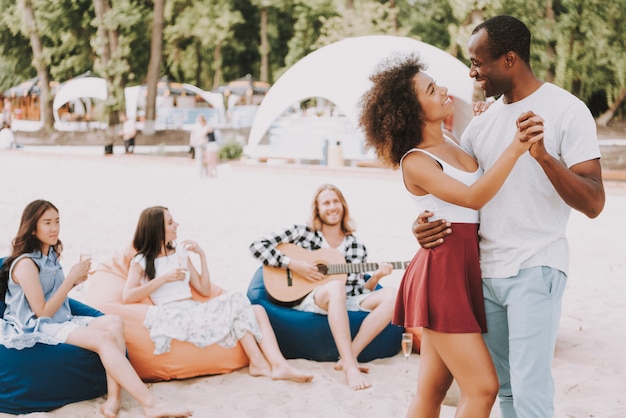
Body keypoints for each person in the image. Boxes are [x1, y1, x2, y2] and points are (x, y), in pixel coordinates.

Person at [412, 15, 605, 418]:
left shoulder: (568, 110)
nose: (472, 72)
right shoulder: (478, 128)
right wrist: (421, 226)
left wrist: (544, 157)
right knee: (508, 391)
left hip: (537, 265)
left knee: (531, 390)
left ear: (510, 59)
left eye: (478, 62)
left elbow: (593, 203)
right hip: (483, 275)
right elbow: (459, 195)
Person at [358, 52, 543, 417]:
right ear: (411, 110)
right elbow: (474, 196)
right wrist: (517, 146)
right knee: (483, 388)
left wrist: (489, 126)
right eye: (431, 89)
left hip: (463, 269)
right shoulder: (416, 160)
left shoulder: (454, 142)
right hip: (441, 275)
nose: (443, 89)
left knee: (432, 391)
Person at [0, 200, 192, 418]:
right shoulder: (26, 263)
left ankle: (113, 398)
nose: (54, 228)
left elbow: (55, 297)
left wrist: (74, 282)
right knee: (103, 339)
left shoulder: (50, 255)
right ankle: (150, 404)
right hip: (36, 325)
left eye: (57, 221)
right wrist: (70, 278)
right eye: (47, 223)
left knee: (115, 322)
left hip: (60, 318)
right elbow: (42, 312)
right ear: (33, 228)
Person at [123, 206, 313, 383]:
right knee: (239, 300)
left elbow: (204, 289)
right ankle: (260, 362)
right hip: (174, 315)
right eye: (171, 222)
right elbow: (128, 296)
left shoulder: (180, 253)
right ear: (157, 229)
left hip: (194, 310)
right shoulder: (141, 261)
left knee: (257, 310)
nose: (177, 225)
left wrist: (202, 256)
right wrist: (164, 278)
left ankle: (277, 365)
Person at [249, 184, 396, 391]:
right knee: (335, 287)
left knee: (394, 295)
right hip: (309, 297)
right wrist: (294, 265)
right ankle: (350, 369)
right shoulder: (302, 232)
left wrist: (377, 276)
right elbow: (257, 246)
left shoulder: (356, 246)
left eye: (336, 201)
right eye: (326, 203)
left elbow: (357, 290)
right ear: (317, 209)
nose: (332, 207)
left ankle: (349, 356)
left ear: (343, 206)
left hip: (343, 297)